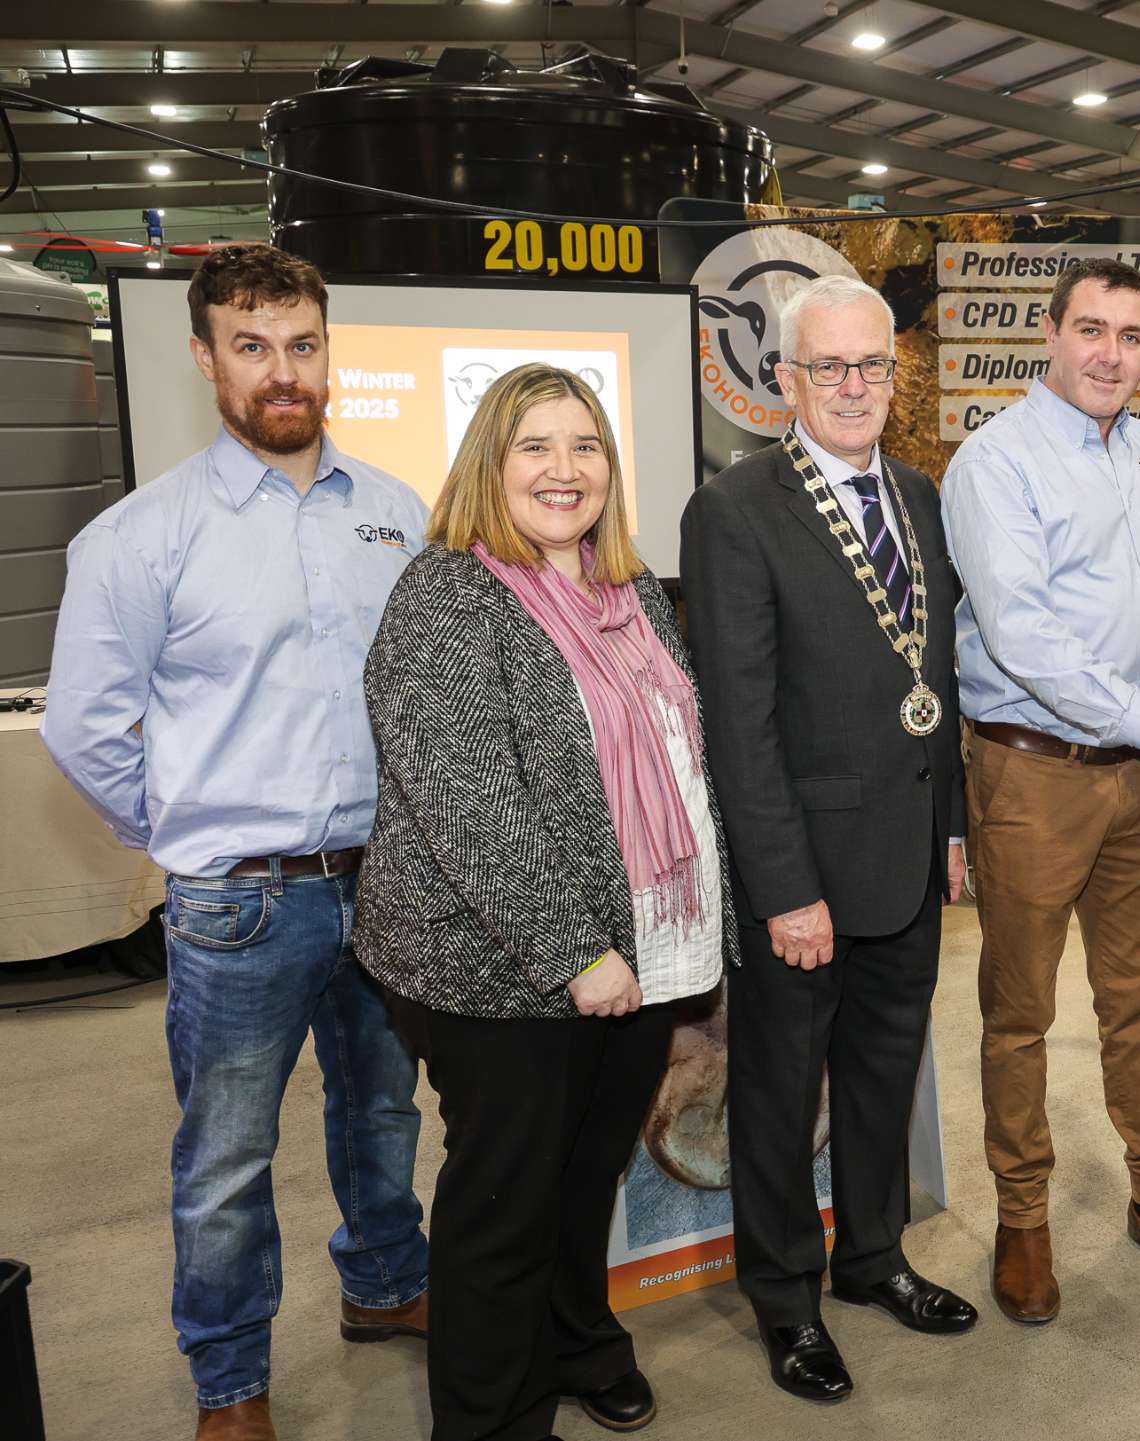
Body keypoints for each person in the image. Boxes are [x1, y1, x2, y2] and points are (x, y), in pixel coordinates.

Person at [42, 243, 429, 1441]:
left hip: (386, 883)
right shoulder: (141, 536)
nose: (282, 372)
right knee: (224, 1162)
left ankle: (385, 1286)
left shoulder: (395, 513)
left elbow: (420, 692)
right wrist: (188, 836)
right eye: (252, 348)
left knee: (382, 1114)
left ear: (328, 351)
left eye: (302, 345)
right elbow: (84, 728)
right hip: (236, 906)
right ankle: (230, 1385)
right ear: (205, 358)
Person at [357, 364, 732, 1441]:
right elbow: (467, 800)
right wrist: (572, 949)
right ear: (491, 464)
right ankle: (491, 1419)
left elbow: (679, 765)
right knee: (500, 1209)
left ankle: (577, 1344)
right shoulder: (448, 594)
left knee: (582, 1178)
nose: (564, 470)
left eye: (585, 447)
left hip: (642, 955)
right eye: (535, 447)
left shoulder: (634, 594)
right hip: (499, 969)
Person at [681, 276, 977, 1404]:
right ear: (785, 381)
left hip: (908, 855)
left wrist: (947, 823)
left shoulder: (921, 495)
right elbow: (738, 721)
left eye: (872, 366)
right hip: (802, 872)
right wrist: (783, 886)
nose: (854, 387)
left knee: (882, 1074)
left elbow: (930, 682)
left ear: (894, 376)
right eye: (830, 368)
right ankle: (787, 1300)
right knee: (774, 1088)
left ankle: (871, 1258)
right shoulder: (737, 509)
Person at [942, 256, 1140, 1324]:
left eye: (1132, 335)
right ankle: (1023, 1217)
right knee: (1019, 1013)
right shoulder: (995, 462)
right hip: (1032, 773)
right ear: (1051, 334)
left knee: (1137, 1002)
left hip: (1138, 778)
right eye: (1093, 330)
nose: (1112, 353)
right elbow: (1021, 638)